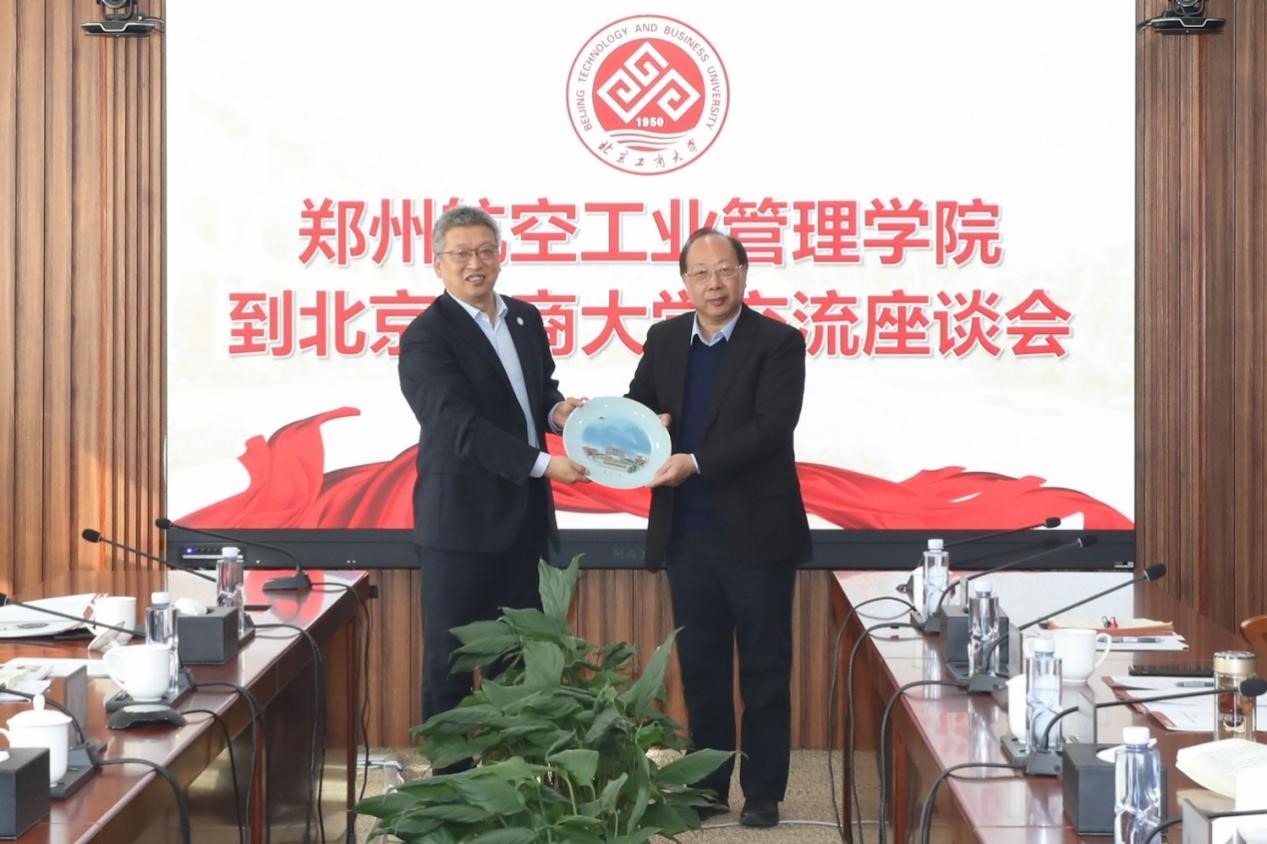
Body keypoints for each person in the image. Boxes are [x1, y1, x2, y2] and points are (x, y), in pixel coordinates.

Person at [627, 227, 812, 828]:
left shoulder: (778, 342)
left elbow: (772, 427)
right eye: (701, 273)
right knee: (703, 671)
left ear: (744, 274)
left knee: (764, 671)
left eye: (725, 270)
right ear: (685, 281)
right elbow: (640, 405)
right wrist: (629, 427)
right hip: (688, 535)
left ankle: (763, 791)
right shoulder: (663, 339)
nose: (715, 283)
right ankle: (707, 788)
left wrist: (696, 462)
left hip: (757, 536)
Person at [398, 205, 589, 734]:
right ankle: (451, 781)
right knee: (452, 665)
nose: (475, 263)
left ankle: (517, 774)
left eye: (485, 251)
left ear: (500, 256)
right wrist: (545, 464)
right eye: (461, 253)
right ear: (438, 264)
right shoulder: (426, 336)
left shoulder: (525, 318)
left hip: (524, 522)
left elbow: (536, 393)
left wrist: (558, 413)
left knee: (523, 659)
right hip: (460, 526)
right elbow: (459, 428)